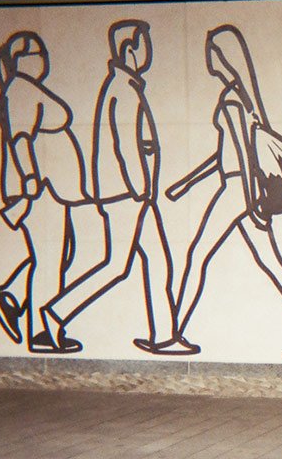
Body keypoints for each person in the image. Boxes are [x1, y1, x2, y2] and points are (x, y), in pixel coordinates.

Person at [163, 24, 282, 360]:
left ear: (223, 57)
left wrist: (251, 200)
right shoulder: (245, 99)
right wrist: (187, 183)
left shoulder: (230, 99)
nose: (207, 55)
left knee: (198, 255)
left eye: (211, 49)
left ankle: (175, 334)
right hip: (245, 190)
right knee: (273, 263)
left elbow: (241, 154)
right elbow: (226, 153)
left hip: (238, 189)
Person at [39, 20, 190, 354]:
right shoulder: (122, 88)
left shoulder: (125, 85)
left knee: (157, 260)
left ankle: (164, 335)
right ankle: (54, 314)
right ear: (129, 49)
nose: (148, 49)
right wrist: (140, 190)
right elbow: (123, 145)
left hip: (131, 194)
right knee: (116, 266)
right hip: (128, 195)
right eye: (143, 42)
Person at [0, 31, 89, 352]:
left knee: (56, 255)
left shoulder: (25, 89)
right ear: (17, 61)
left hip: (48, 189)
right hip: (39, 190)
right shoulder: (19, 91)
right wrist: (30, 178)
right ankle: (44, 333)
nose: (41, 57)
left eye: (41, 51)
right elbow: (20, 139)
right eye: (33, 52)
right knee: (50, 259)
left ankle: (12, 297)